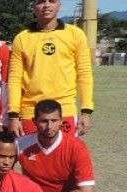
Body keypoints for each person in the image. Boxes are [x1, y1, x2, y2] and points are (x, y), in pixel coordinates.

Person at [7, 0, 94, 137]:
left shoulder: (75, 34)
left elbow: (84, 74)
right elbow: (14, 78)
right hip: (31, 112)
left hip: (65, 111)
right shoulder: (21, 38)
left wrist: (86, 111)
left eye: (52, 1)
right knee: (32, 158)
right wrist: (13, 115)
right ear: (34, 6)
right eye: (41, 1)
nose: (46, 5)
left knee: (64, 157)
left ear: (59, 5)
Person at [16, 100, 101, 192]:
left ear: (61, 121)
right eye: (44, 121)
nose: (49, 126)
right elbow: (1, 173)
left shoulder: (77, 147)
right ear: (34, 121)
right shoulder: (20, 144)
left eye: (54, 121)